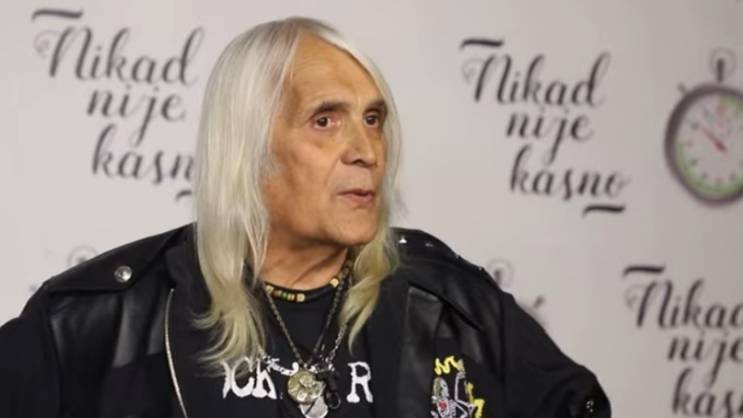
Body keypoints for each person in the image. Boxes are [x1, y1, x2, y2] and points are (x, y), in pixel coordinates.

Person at [0, 17, 611, 418]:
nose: (366, 150)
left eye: (373, 120)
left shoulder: (458, 309)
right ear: (248, 148)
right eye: (325, 120)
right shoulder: (93, 322)